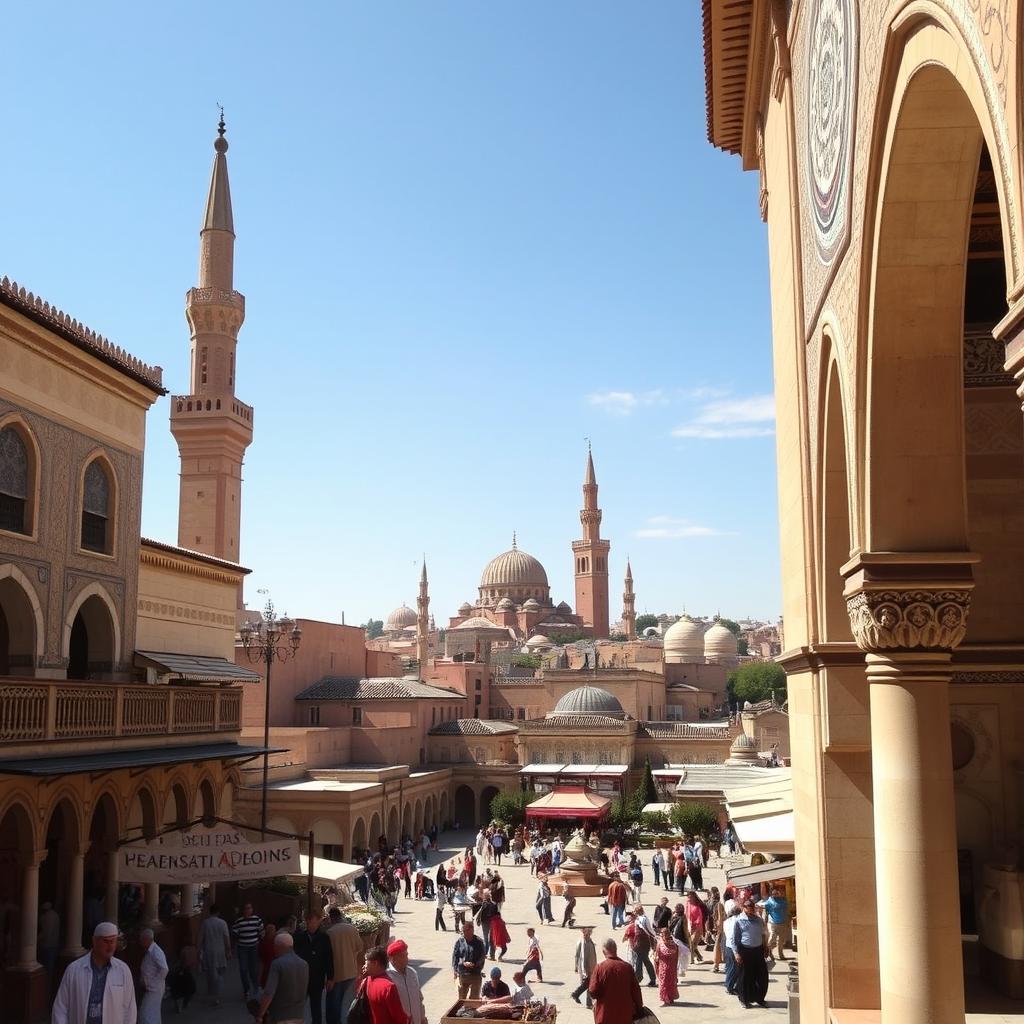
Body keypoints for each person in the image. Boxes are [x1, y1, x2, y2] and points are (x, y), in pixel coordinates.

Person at [52, 922, 136, 1024]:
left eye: (113, 942)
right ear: (95, 941)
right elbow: (61, 1008)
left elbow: (129, 1009)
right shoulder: (74, 969)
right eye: (106, 941)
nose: (110, 947)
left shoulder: (123, 970)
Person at [588, 938, 644, 1024]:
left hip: (605, 1015)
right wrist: (639, 1009)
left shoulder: (600, 968)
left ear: (604, 951)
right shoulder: (627, 967)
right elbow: (636, 991)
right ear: (616, 949)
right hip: (625, 1015)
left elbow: (592, 991)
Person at [294, 908, 335, 1024]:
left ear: (318, 921)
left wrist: (330, 977)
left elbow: (329, 958)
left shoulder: (324, 938)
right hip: (301, 978)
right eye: (307, 921)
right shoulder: (299, 937)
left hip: (317, 978)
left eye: (311, 921)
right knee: (297, 1006)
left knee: (316, 1007)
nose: (309, 924)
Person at [730, 898, 769, 1008]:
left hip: (758, 950)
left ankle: (759, 998)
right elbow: (734, 939)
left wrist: (766, 947)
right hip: (745, 951)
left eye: (753, 907)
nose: (752, 910)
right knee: (744, 977)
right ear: (744, 908)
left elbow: (763, 934)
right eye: (749, 907)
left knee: (762, 976)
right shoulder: (739, 921)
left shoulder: (758, 920)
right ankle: (744, 999)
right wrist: (736, 953)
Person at [363, 944, 410, 1024]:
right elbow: (399, 1017)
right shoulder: (388, 987)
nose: (364, 966)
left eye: (366, 962)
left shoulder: (368, 980)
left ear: (375, 963)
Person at [198, 904, 231, 1005]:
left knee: (210, 973)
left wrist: (198, 950)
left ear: (210, 912)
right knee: (220, 973)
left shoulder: (205, 923)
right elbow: (226, 938)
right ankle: (217, 995)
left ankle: (212, 992)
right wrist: (228, 950)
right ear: (218, 912)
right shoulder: (222, 923)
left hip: (208, 951)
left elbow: (200, 937)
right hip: (220, 951)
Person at [386, 940, 426, 1024]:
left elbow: (419, 998)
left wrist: (423, 1018)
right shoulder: (387, 976)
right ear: (392, 958)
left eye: (406, 955)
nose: (406, 959)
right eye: (402, 956)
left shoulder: (412, 973)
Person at [232, 901, 265, 1001]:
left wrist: (260, 942)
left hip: (253, 947)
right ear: (243, 910)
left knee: (253, 969)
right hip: (242, 948)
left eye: (249, 908)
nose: (248, 910)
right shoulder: (239, 921)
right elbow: (234, 933)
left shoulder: (257, 920)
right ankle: (246, 989)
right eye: (246, 908)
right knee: (243, 969)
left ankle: (255, 988)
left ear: (252, 909)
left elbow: (262, 932)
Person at [138, 927, 169, 1024]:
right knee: (152, 1013)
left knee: (145, 1013)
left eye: (142, 940)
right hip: (152, 987)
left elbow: (164, 969)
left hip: (154, 988)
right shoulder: (150, 951)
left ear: (147, 939)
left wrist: (152, 983)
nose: (140, 942)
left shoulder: (156, 951)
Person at [451, 920, 486, 1000]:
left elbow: (482, 957)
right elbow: (455, 956)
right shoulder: (460, 942)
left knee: (474, 1000)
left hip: (475, 974)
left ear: (472, 931)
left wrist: (475, 964)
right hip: (463, 974)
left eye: (466, 932)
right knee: (461, 999)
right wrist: (456, 970)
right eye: (463, 932)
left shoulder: (479, 942)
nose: (464, 934)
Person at [759, 886, 792, 961]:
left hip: (782, 923)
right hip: (772, 923)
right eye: (773, 893)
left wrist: (788, 920)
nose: (775, 895)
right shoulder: (769, 901)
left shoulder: (783, 900)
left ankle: (781, 954)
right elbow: (762, 905)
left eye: (777, 893)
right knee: (772, 937)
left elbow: (787, 910)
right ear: (771, 894)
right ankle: (769, 951)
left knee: (781, 940)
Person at [571, 924, 597, 1008]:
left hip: (592, 967)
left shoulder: (590, 940)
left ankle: (587, 1002)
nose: (588, 934)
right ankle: (576, 994)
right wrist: (577, 967)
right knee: (588, 984)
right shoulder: (582, 942)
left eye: (589, 932)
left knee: (588, 984)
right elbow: (578, 955)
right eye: (586, 932)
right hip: (586, 968)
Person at [655, 926, 680, 1007]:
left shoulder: (674, 945)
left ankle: (670, 997)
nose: (663, 936)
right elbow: (656, 956)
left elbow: (676, 957)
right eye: (662, 935)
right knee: (663, 983)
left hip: (671, 968)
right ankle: (665, 999)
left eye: (665, 934)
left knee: (671, 983)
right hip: (663, 967)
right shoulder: (660, 944)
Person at [721, 899, 741, 995]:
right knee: (735, 968)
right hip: (735, 947)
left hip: (728, 946)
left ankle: (728, 985)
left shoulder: (726, 921)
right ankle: (729, 987)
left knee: (730, 967)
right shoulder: (738, 921)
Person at [38, 901, 60, 981]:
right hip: (53, 946)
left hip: (46, 946)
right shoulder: (55, 915)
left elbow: (45, 933)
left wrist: (37, 939)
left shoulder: (45, 917)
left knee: (45, 968)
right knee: (50, 968)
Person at [685, 891, 707, 963]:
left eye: (690, 897)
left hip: (697, 927)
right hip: (689, 926)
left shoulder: (698, 906)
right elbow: (685, 913)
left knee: (692, 943)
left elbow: (699, 918)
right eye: (688, 896)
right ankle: (699, 956)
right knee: (691, 944)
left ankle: (692, 960)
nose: (689, 898)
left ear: (694, 897)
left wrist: (696, 926)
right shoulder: (687, 904)